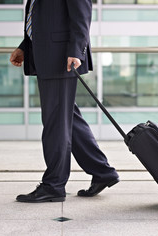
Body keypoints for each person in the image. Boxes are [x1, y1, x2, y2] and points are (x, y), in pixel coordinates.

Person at [10, 0, 119, 203]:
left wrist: (76, 51)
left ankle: (54, 185)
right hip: (48, 57)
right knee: (68, 119)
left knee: (56, 123)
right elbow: (44, 17)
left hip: (62, 59)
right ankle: (103, 172)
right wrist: (25, 47)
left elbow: (82, 15)